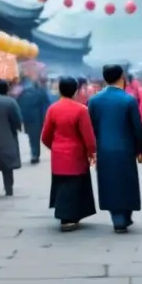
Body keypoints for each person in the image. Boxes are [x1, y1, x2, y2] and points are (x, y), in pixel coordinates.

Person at [88, 64, 142, 233]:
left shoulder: (94, 100)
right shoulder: (128, 100)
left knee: (109, 183)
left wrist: (91, 150)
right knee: (126, 182)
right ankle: (124, 216)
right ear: (122, 77)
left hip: (104, 149)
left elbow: (90, 128)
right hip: (125, 149)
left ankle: (118, 217)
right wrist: (141, 150)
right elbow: (137, 127)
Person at [41, 77, 98, 231]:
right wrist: (91, 152)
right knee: (75, 186)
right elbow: (88, 137)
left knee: (61, 186)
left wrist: (56, 148)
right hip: (76, 155)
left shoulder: (53, 109)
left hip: (59, 155)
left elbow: (45, 136)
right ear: (76, 91)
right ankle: (69, 218)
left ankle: (64, 215)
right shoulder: (81, 110)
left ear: (59, 90)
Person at [18, 77, 52, 164]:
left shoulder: (22, 94)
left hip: (28, 119)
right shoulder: (41, 92)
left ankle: (35, 154)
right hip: (39, 118)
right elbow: (47, 106)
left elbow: (19, 107)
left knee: (33, 138)